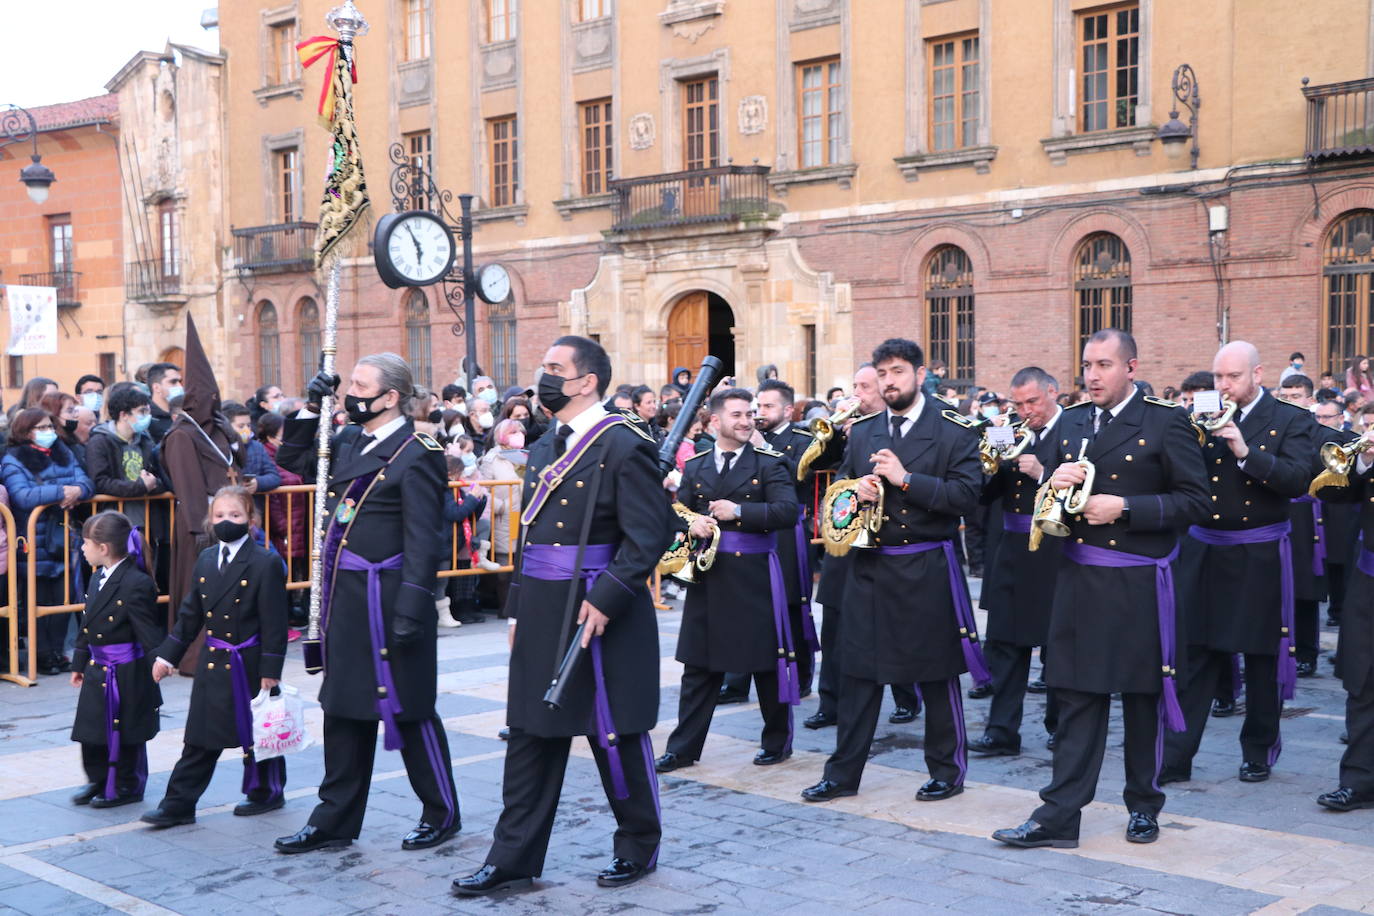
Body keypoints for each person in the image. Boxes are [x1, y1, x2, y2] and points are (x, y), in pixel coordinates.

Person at [454, 336, 666, 896]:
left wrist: (611, 596)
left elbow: (649, 535)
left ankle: (637, 845)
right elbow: (531, 537)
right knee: (530, 731)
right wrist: (518, 610)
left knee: (613, 730)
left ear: (586, 380)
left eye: (555, 368)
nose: (543, 377)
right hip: (546, 606)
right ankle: (512, 858)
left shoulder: (624, 442)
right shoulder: (548, 444)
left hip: (600, 605)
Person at [993, 328, 1209, 849]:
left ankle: (1143, 805)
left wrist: (1127, 508)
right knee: (1075, 698)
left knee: (1141, 698)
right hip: (1078, 578)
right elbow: (1052, 501)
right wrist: (1054, 483)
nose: (1092, 375)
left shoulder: (1165, 422)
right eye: (1087, 365)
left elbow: (1196, 503)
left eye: (1105, 365)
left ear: (1131, 368)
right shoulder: (1069, 422)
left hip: (1137, 580)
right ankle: (1059, 816)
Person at [274, 352, 459, 855]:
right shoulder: (352, 439)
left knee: (411, 708)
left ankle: (441, 811)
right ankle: (334, 818)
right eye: (349, 383)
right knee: (343, 708)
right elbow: (293, 460)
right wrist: (312, 409)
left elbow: (426, 540)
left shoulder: (417, 450)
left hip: (391, 600)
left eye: (359, 384)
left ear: (390, 396)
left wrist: (413, 609)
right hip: (347, 600)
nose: (349, 392)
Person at [800, 338, 984, 805]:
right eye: (882, 374)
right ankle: (842, 774)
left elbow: (966, 499)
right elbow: (838, 491)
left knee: (936, 674)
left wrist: (905, 480)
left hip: (925, 566)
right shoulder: (862, 432)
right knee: (856, 674)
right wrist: (853, 493)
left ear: (920, 375)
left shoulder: (955, 430)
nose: (889, 382)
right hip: (870, 568)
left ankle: (946, 770)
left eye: (898, 372)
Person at [1161, 341, 1315, 786]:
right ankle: (1176, 755)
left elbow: (1297, 480)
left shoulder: (1290, 419)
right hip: (1205, 547)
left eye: (1233, 377)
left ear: (1257, 374)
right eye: (1218, 377)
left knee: (1262, 656)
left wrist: (1247, 452)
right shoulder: (1197, 418)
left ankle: (1258, 751)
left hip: (1259, 550)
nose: (1224, 386)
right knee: (1195, 654)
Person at [655, 389, 800, 773]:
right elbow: (679, 509)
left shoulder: (770, 463)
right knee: (699, 665)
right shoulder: (698, 465)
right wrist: (691, 521)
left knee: (766, 664)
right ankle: (682, 748)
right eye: (737, 414)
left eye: (750, 413)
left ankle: (777, 741)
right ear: (715, 421)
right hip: (709, 575)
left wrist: (739, 509)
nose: (746, 420)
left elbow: (788, 512)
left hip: (754, 574)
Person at [141, 486, 289, 826]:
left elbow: (275, 622)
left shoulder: (265, 562)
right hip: (213, 661)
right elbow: (191, 614)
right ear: (210, 519)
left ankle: (267, 790)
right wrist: (167, 657)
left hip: (248, 662)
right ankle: (178, 804)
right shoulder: (207, 558)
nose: (226, 522)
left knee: (258, 733)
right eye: (220, 515)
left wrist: (271, 668)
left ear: (251, 521)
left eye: (235, 515)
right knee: (199, 735)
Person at [808, 364, 923, 729]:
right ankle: (831, 702)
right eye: (853, 386)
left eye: (864, 387)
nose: (855, 394)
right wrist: (834, 440)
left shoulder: (904, 429)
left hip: (890, 543)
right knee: (836, 621)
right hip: (849, 538)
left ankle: (907, 694)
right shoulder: (853, 430)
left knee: (893, 623)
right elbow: (823, 470)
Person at [972, 367, 1064, 757]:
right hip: (1011, 547)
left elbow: (1087, 491)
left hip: (1057, 549)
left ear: (1052, 393)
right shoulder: (1006, 428)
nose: (1026, 411)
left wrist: (1044, 473)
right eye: (1018, 404)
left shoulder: (1074, 428)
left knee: (1058, 645)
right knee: (1005, 644)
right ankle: (1001, 730)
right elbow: (984, 494)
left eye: (1033, 402)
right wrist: (987, 460)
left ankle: (1061, 726)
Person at [159, 320, 243, 651]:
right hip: (202, 525)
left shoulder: (218, 429)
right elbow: (189, 487)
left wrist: (233, 434)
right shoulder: (181, 435)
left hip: (230, 519)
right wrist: (201, 529)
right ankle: (195, 653)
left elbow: (236, 463)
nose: (215, 401)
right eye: (209, 396)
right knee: (202, 589)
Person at [69, 511, 161, 809]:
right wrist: (79, 662)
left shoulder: (136, 583)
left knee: (127, 730)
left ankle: (128, 784)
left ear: (103, 548)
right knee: (91, 729)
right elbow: (88, 623)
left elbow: (148, 632)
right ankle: (98, 778)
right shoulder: (97, 577)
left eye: (85, 544)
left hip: (127, 670)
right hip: (99, 667)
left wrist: (159, 663)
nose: (82, 549)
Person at [3, 407, 94, 675]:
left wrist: (77, 490)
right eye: (41, 428)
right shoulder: (13, 459)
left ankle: (57, 653)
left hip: (64, 537)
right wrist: (61, 492)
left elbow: (86, 482)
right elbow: (22, 495)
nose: (48, 432)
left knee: (63, 599)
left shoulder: (64, 452)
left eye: (50, 427)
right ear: (25, 431)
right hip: (33, 540)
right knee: (38, 598)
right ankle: (42, 655)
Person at [1313, 424, 1374, 811]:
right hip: (1369, 581)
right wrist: (1365, 459)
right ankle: (1358, 780)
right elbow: (1335, 494)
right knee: (1362, 679)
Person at [1278, 374, 1342, 675]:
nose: (1290, 401)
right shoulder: (1272, 429)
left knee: (1304, 590)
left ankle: (1306, 652)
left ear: (1309, 399)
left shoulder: (1320, 433)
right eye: (1285, 396)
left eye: (1296, 396)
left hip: (1307, 518)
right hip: (1275, 513)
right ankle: (1274, 649)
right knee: (1272, 588)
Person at [1314, 398, 1358, 628]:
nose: (1321, 422)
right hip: (1319, 504)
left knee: (1342, 557)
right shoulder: (1311, 438)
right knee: (1326, 558)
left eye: (1327, 417)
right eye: (1318, 417)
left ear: (1341, 419)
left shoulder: (1352, 440)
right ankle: (1334, 607)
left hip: (1343, 507)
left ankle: (1341, 609)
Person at [478, 418, 526, 616]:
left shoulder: (523, 456)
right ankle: (506, 607)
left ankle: (522, 605)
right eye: (514, 432)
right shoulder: (492, 459)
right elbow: (482, 489)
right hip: (504, 518)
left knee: (521, 561)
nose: (519, 435)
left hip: (523, 514)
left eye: (520, 431)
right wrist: (501, 507)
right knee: (505, 564)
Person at [223, 402, 281, 495]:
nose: (247, 430)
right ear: (227, 426)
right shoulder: (218, 447)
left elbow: (274, 476)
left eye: (248, 425)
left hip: (253, 505)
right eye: (241, 426)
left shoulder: (257, 447)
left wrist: (257, 483)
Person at [145, 363, 183, 443]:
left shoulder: (186, 413)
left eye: (180, 382)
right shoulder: (146, 418)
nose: (180, 386)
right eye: (173, 382)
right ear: (156, 387)